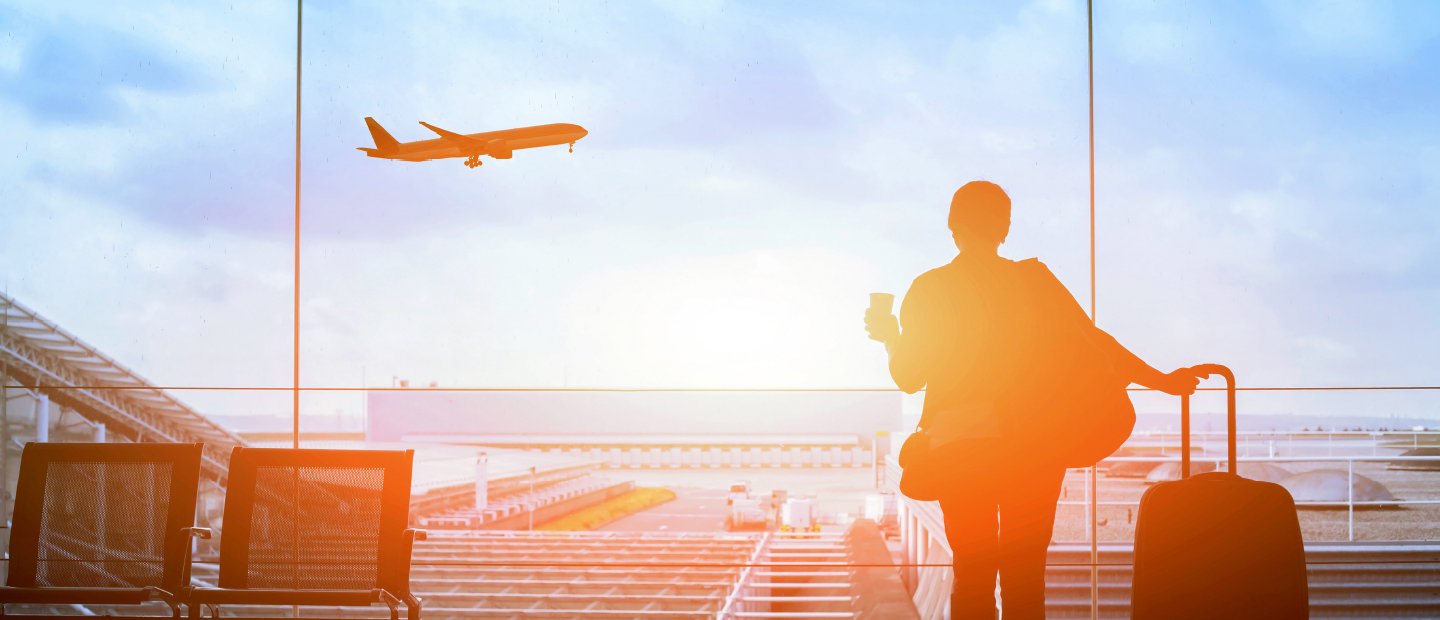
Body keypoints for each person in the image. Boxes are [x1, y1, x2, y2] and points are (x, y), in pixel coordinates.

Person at [864, 180, 1198, 619]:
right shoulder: (1035, 283)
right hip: (1034, 448)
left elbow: (908, 377)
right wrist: (1162, 380)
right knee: (1025, 579)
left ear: (951, 226)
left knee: (974, 574)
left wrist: (890, 337)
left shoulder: (930, 289)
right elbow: (1097, 343)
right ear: (1005, 228)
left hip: (962, 449)